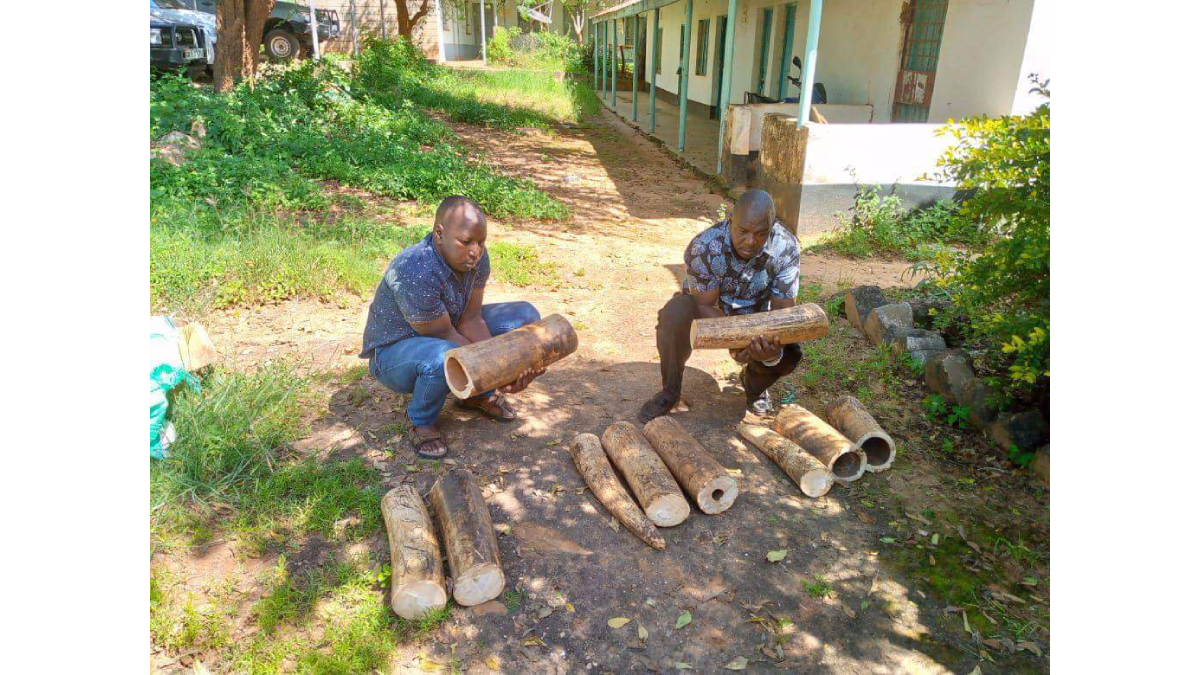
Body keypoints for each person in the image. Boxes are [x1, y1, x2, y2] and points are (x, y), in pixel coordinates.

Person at [360, 196, 544, 458]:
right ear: (439, 233)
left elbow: (471, 320)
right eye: (466, 241)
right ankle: (420, 420)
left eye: (481, 242)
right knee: (442, 356)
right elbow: (445, 336)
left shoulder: (477, 259)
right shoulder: (415, 269)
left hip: (448, 330)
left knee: (525, 317)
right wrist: (498, 375)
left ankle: (471, 396)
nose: (475, 251)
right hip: (394, 354)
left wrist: (511, 367)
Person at [638, 190, 802, 423]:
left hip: (755, 317)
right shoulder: (705, 246)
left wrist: (771, 352)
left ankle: (754, 386)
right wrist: (736, 342)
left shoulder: (786, 248)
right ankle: (670, 392)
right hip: (709, 312)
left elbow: (782, 313)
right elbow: (704, 304)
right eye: (742, 231)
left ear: (772, 227)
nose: (750, 241)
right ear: (730, 220)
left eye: (760, 234)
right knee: (674, 314)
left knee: (789, 349)